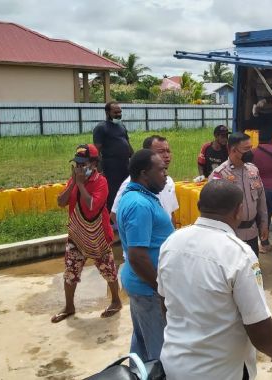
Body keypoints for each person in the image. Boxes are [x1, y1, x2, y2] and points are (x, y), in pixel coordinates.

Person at [158, 180, 272, 380]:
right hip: (221, 370)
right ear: (239, 211)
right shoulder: (238, 254)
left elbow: (164, 303)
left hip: (174, 364)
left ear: (199, 206)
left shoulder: (171, 242)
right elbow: (258, 325)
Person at [51, 144, 121, 323]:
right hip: (77, 235)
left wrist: (80, 184)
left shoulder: (101, 183)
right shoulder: (73, 181)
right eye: (77, 164)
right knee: (70, 271)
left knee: (108, 270)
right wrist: (73, 183)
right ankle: (69, 306)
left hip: (98, 236)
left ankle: (116, 301)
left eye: (83, 164)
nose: (80, 168)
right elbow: (61, 202)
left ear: (94, 164)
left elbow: (91, 207)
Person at [116, 149, 175, 362]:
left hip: (144, 286)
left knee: (142, 340)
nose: (165, 174)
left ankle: (137, 372)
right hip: (148, 289)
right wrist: (160, 288)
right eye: (161, 170)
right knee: (159, 351)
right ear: (144, 173)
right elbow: (137, 256)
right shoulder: (139, 204)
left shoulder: (141, 197)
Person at [208, 132, 268, 256]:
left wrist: (264, 224)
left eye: (251, 148)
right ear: (233, 150)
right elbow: (213, 210)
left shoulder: (253, 170)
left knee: (252, 270)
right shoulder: (220, 175)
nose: (250, 152)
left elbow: (261, 200)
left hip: (252, 233)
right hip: (231, 236)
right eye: (246, 149)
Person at [110, 135, 178, 227]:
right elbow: (115, 216)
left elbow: (170, 214)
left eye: (168, 151)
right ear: (147, 153)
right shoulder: (133, 183)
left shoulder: (169, 181)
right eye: (161, 152)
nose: (166, 156)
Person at [92, 101, 134, 212]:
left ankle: (123, 213)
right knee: (112, 193)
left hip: (125, 165)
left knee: (125, 190)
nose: (119, 114)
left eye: (120, 112)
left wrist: (134, 159)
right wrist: (100, 171)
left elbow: (127, 144)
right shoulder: (101, 128)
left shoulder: (121, 126)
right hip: (111, 167)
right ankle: (111, 220)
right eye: (116, 112)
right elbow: (97, 151)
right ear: (107, 112)